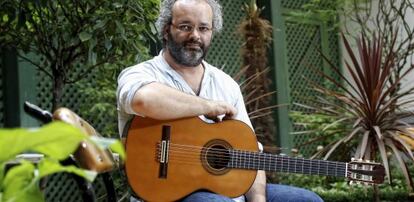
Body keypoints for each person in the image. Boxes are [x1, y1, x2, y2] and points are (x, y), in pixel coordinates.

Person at [117, 0, 323, 201]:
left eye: (203, 28)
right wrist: (208, 105)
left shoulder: (226, 84)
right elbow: (143, 100)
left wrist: (258, 199)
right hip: (166, 194)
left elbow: (251, 154)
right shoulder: (140, 73)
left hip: (231, 194)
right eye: (185, 26)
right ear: (165, 30)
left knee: (308, 199)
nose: (195, 35)